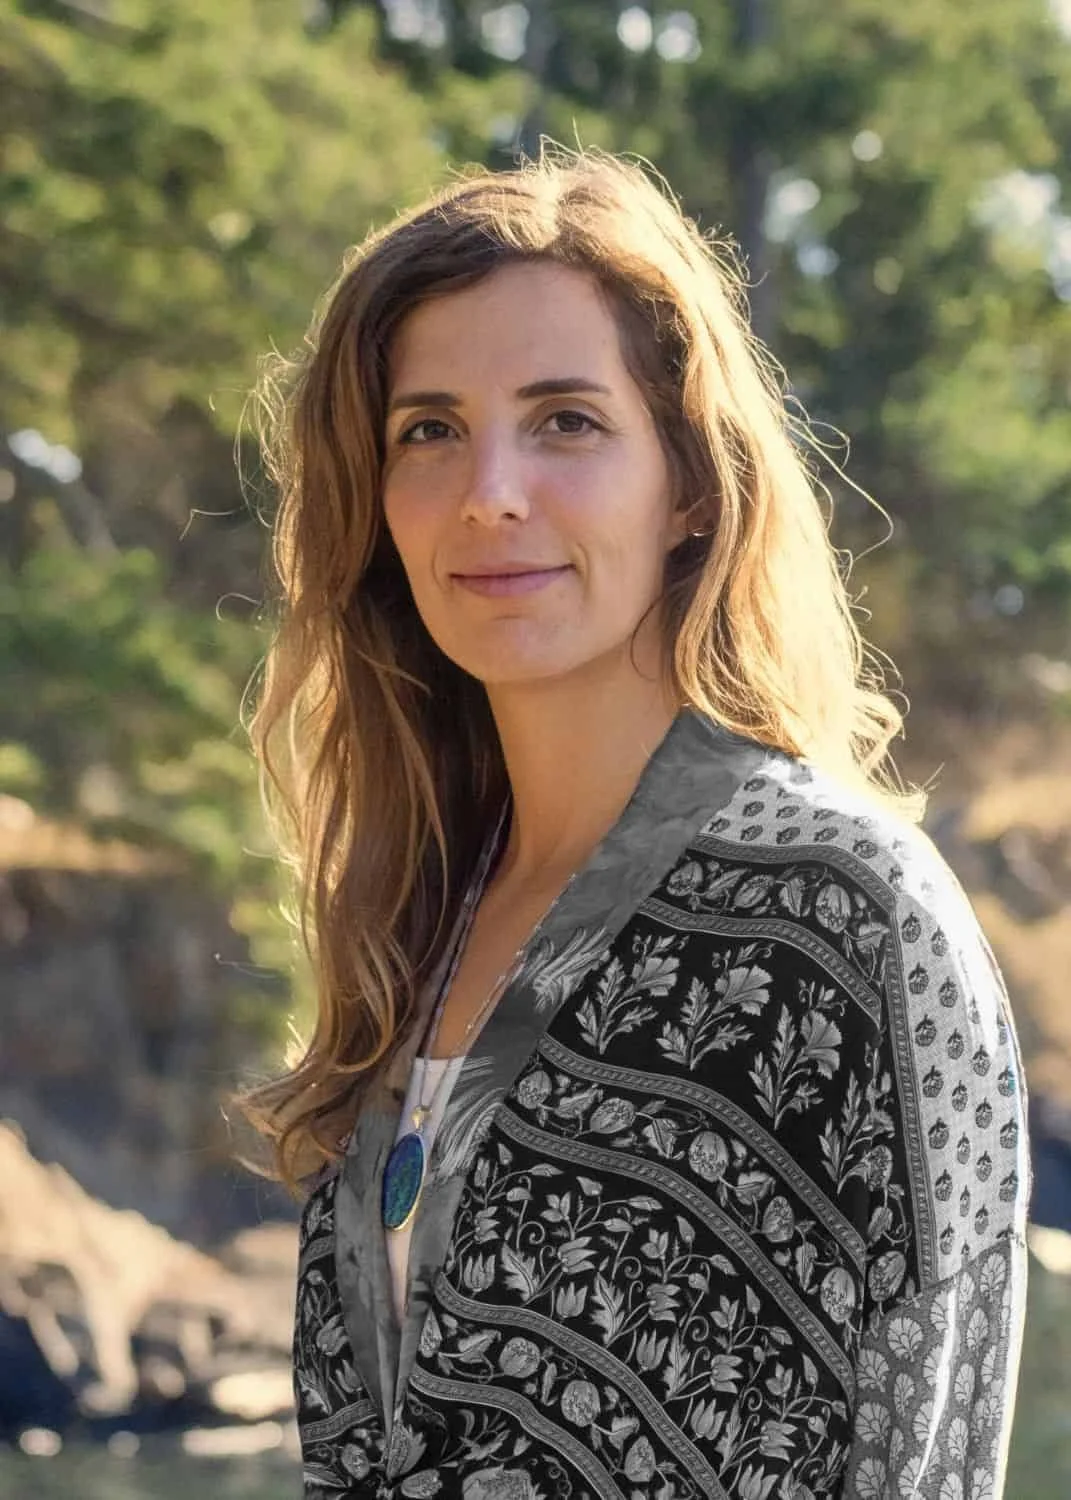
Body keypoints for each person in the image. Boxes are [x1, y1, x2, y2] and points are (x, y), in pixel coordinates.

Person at [238, 149, 1030, 1500]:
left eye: (564, 421)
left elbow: (927, 1444)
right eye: (427, 428)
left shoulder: (843, 914)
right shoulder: (419, 914)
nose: (491, 489)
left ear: (689, 489)